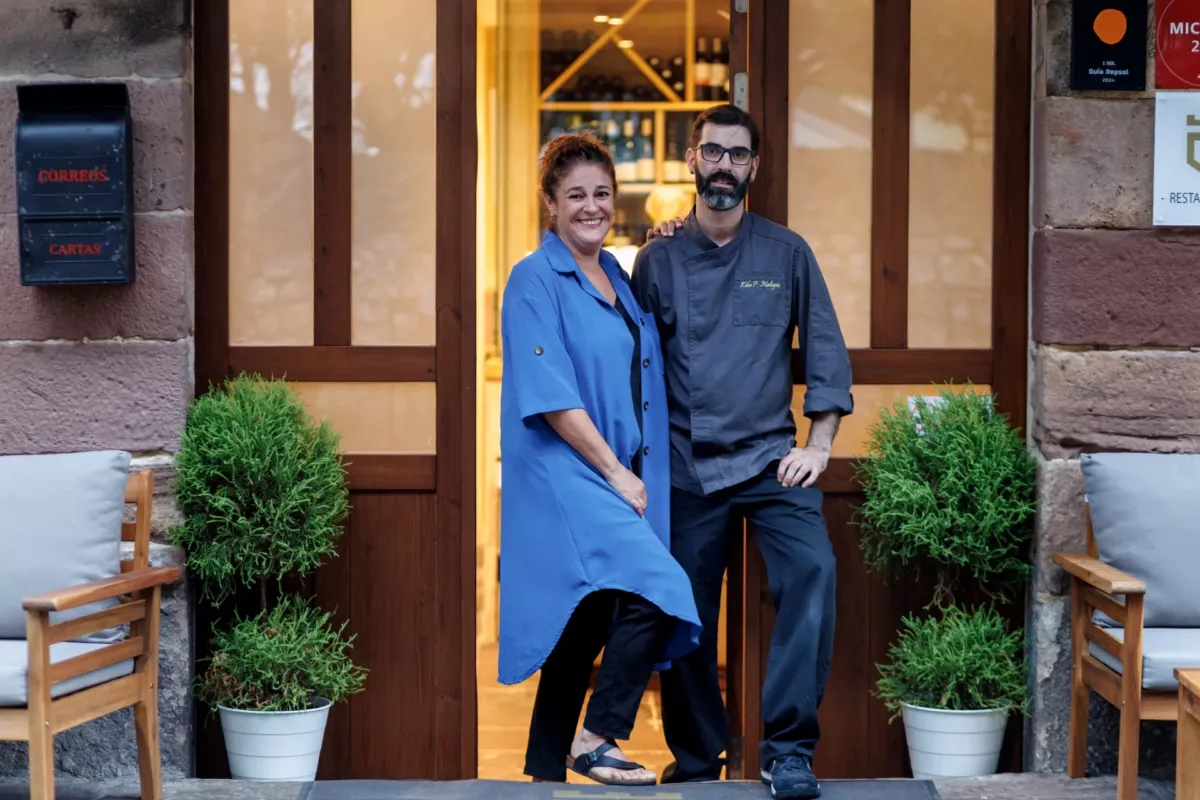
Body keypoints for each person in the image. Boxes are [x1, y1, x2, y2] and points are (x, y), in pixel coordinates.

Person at [629, 104, 854, 800]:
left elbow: (824, 352)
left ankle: (788, 751)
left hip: (769, 461)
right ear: (692, 161)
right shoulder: (657, 259)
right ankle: (700, 757)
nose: (724, 165)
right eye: (713, 152)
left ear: (754, 167)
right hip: (686, 462)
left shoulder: (786, 253)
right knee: (681, 607)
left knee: (812, 569)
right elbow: (632, 364)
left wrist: (818, 446)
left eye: (738, 154)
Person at [497, 131, 703, 787]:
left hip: (614, 469)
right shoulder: (534, 279)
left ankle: (542, 771)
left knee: (584, 621)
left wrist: (670, 237)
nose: (592, 206)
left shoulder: (615, 272)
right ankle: (598, 735)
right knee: (660, 588)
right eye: (576, 195)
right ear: (551, 206)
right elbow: (550, 395)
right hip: (570, 472)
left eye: (602, 194)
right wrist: (617, 473)